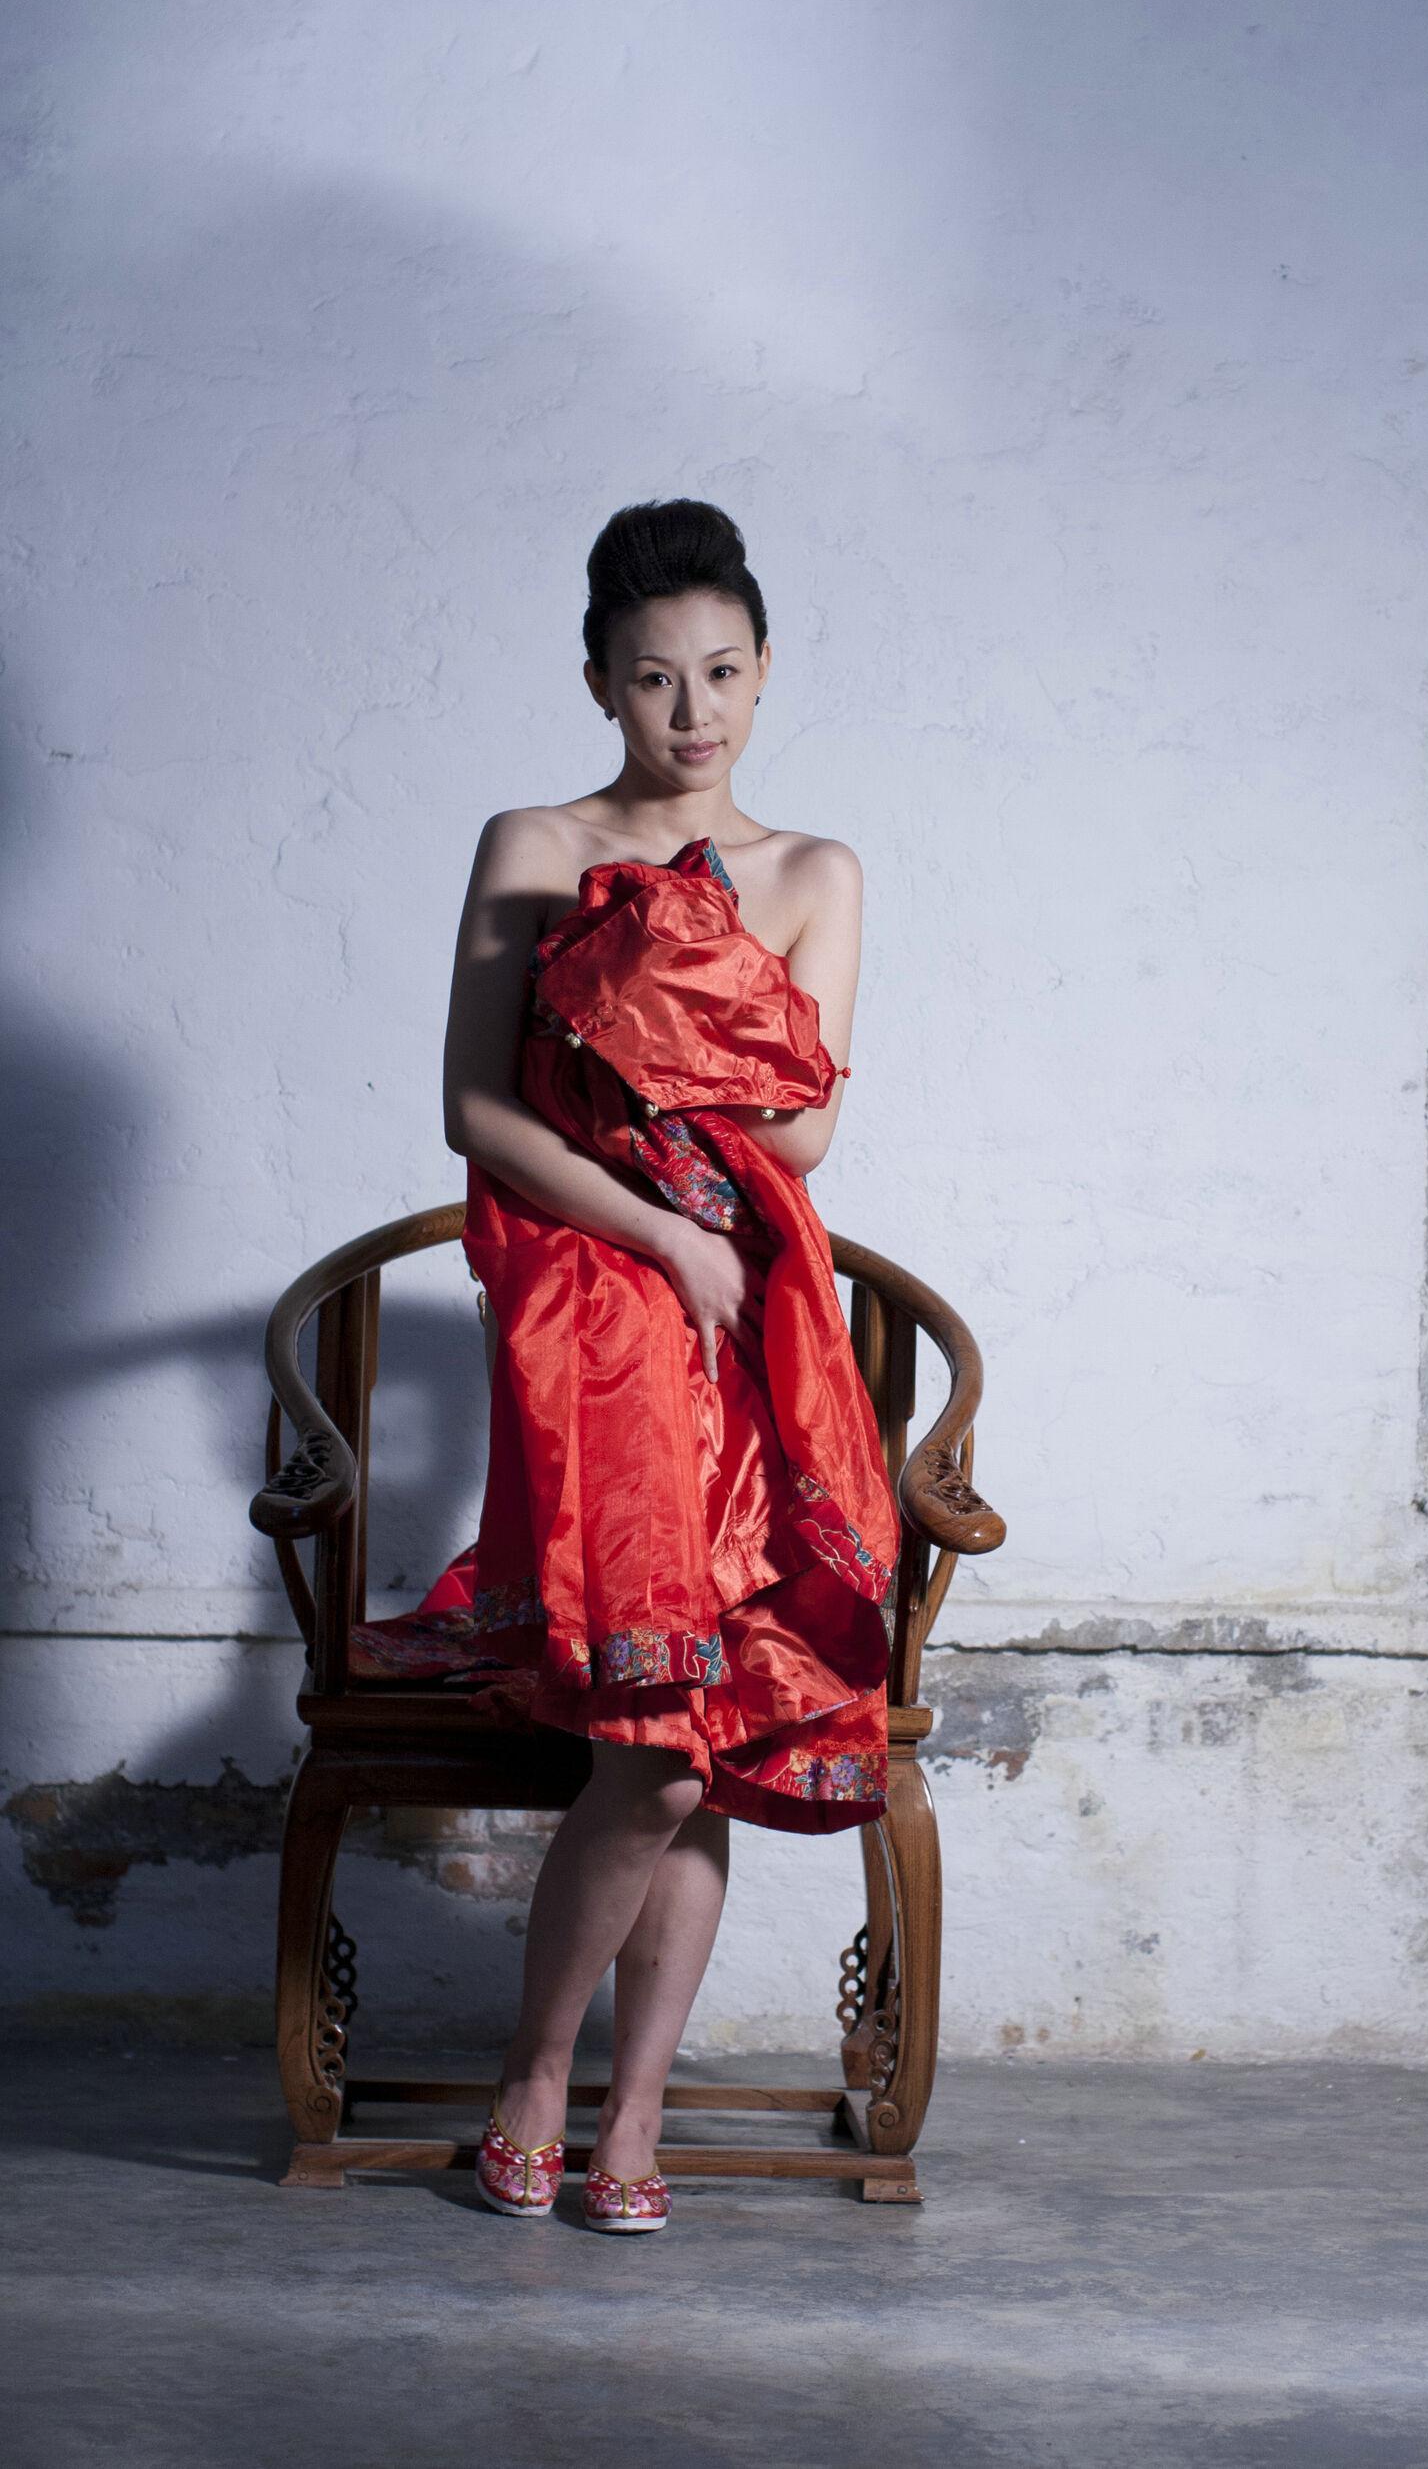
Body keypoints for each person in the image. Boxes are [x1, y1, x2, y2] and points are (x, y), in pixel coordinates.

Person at [354, 499, 898, 2234]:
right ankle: (538, 2076)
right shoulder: (535, 842)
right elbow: (479, 1107)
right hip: (595, 1307)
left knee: (703, 1735)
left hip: (754, 1325)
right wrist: (662, 1232)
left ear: (766, 671)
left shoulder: (815, 872)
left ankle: (633, 2110)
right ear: (598, 678)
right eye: (656, 676)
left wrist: (652, 975)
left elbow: (802, 1133)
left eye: (723, 672)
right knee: (659, 1745)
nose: (694, 710)